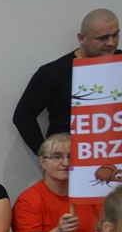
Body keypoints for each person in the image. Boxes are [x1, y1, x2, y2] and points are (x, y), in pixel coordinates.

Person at [13, 9, 120, 157]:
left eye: (115, 35)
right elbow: (23, 116)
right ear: (82, 38)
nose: (111, 43)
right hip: (71, 161)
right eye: (102, 38)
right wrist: (48, 157)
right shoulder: (53, 72)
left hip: (115, 154)